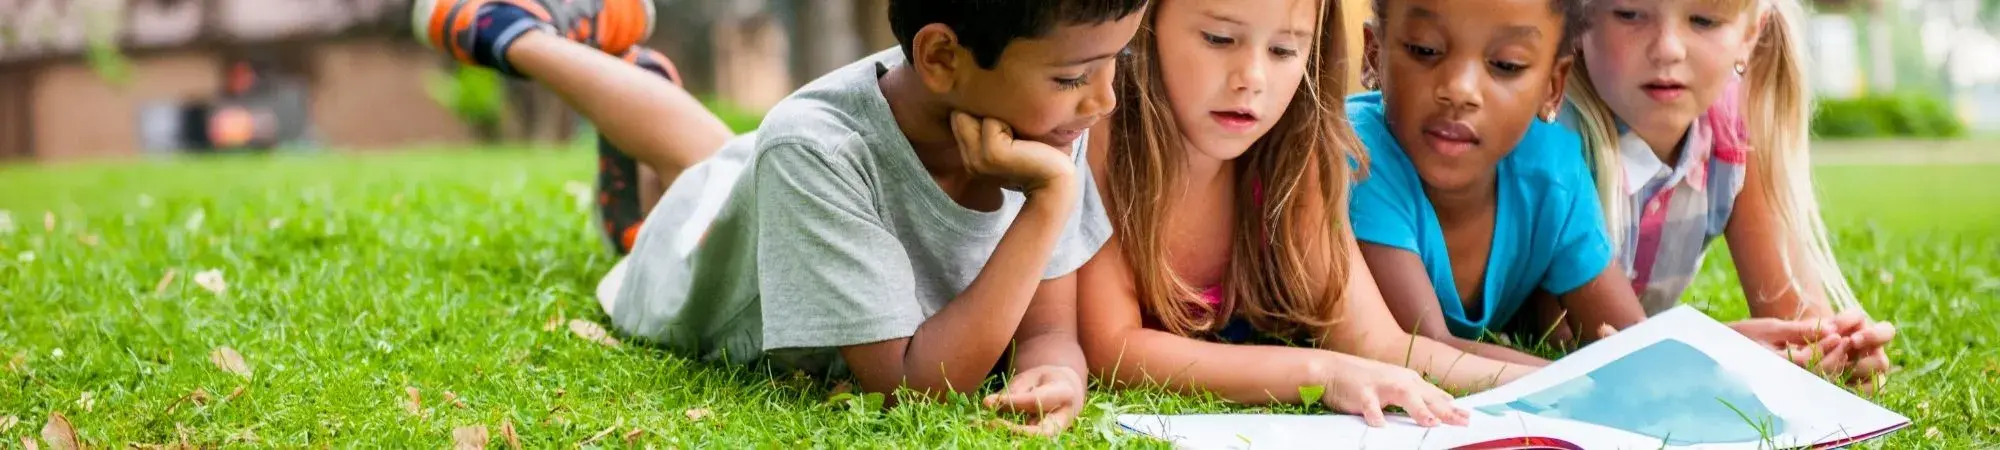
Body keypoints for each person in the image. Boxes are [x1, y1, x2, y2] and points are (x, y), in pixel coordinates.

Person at [411, 0, 1145, 434]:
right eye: (1075, 76)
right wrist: (1048, 205)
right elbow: (909, 385)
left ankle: (630, 76)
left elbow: (1050, 330)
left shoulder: (1043, 120)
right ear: (942, 58)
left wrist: (1056, 370)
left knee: (722, 159)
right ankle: (513, 30)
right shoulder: (816, 150)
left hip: (770, 178)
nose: (1104, 101)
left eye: (1113, 64)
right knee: (702, 186)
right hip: (690, 264)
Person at [1075, 0, 1537, 429]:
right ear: (1145, 21)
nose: (1251, 77)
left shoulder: (1294, 158)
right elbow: (1113, 349)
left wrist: (1562, 380)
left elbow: (1377, 344)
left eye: (1283, 49)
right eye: (1218, 39)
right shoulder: (1098, 135)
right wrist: (1323, 374)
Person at [1558, 0, 1894, 387]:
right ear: (1577, 20)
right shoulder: (1555, 133)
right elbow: (1574, 337)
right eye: (1630, 14)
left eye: (1702, 19)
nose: (1668, 48)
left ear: (1749, 35)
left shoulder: (1730, 129)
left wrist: (1836, 348)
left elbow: (1797, 319)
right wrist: (1719, 351)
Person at [1348, 0, 1649, 367]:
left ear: (1553, 86)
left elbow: (1631, 344)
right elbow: (1421, 348)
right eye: (1425, 50)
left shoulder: (1552, 170)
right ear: (1373, 52)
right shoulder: (1357, 154)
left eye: (1506, 65)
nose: (1459, 90)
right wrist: (1576, 378)